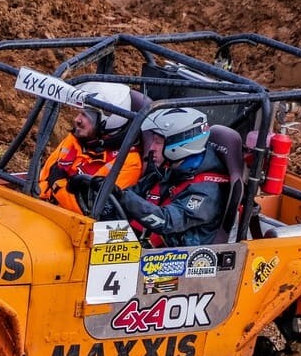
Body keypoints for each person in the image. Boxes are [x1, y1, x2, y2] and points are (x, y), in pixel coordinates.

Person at [117, 107, 230, 247]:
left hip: (179, 261)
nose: (152, 148)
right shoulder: (171, 169)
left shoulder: (207, 191)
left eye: (158, 142)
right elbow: (133, 193)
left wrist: (125, 198)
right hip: (149, 251)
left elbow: (167, 222)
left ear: (180, 145)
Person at [38, 81, 144, 214]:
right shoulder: (75, 139)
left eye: (86, 115)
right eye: (80, 112)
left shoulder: (129, 163)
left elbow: (92, 212)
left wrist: (58, 186)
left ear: (111, 120)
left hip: (77, 227)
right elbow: (42, 181)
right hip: (42, 209)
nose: (77, 120)